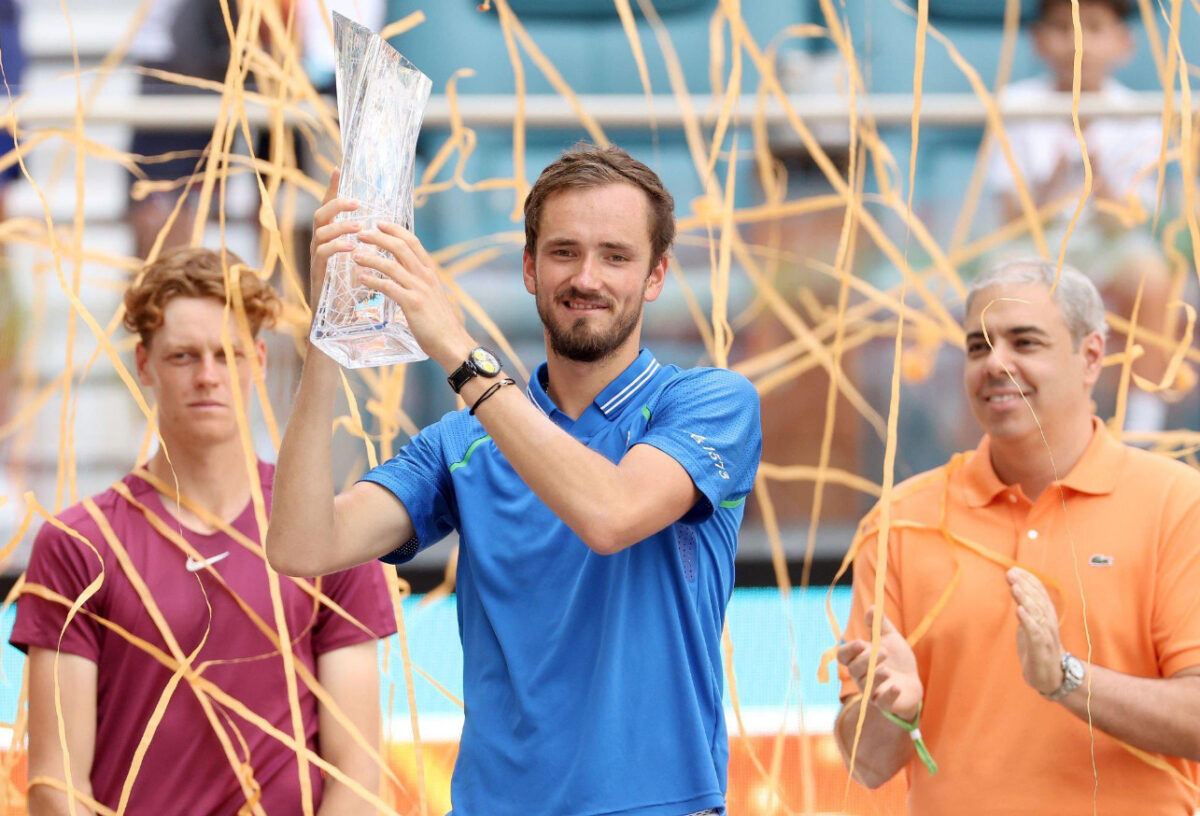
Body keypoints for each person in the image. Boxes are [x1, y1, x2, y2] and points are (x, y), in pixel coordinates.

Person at [268, 144, 763, 816]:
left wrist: (455, 349)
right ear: (530, 269)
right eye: (564, 252)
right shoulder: (465, 440)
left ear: (656, 275)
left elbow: (611, 515)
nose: (586, 277)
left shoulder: (712, 402)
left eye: (615, 255)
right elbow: (302, 546)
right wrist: (329, 331)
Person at [11, 246, 397, 815]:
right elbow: (56, 783)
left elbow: (359, 775)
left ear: (259, 361)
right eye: (183, 356)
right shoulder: (80, 545)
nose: (209, 376)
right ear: (144, 364)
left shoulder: (328, 535)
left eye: (228, 353)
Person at [835, 258, 1200, 813]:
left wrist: (1067, 680)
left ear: (1092, 356)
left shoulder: (1177, 504)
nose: (995, 364)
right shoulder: (901, 521)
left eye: (1024, 342)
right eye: (978, 347)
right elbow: (866, 763)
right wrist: (893, 713)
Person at [986, 0, 1175, 432]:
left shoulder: (1139, 112)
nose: (1077, 42)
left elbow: (1133, 219)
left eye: (1093, 28)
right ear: (1037, 40)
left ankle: (1143, 423)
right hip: (1039, 242)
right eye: (1062, 27)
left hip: (1109, 242)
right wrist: (1053, 183)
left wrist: (1101, 182)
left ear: (1124, 43)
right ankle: (1025, 413)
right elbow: (1010, 216)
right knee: (1008, 285)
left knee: (1152, 277)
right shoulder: (1016, 103)